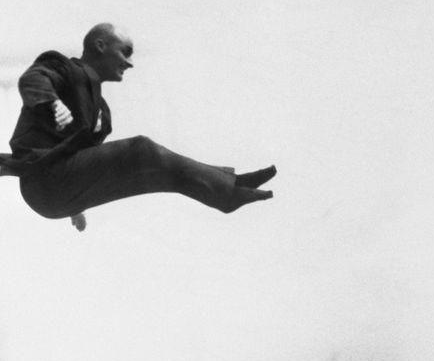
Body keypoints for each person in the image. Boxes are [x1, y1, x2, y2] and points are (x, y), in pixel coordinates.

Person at [0, 23, 276, 232]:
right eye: (125, 51)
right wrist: (52, 103)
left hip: (61, 196)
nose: (129, 63)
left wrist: (77, 206)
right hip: (43, 183)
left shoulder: (101, 114)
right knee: (141, 150)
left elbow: (87, 163)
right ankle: (226, 189)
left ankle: (231, 185)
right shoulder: (64, 69)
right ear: (100, 45)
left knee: (147, 171)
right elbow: (33, 78)